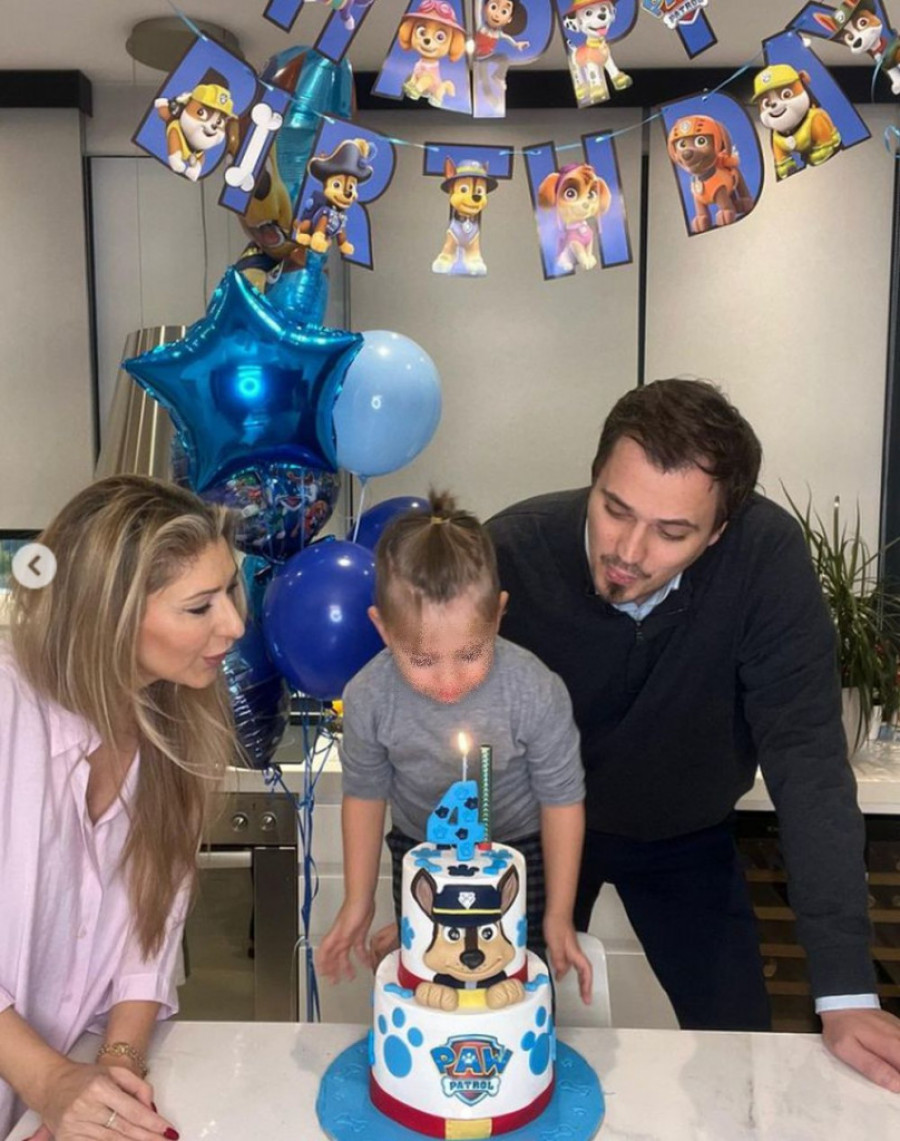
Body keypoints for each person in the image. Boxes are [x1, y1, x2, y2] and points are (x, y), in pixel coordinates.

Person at [486, 377, 900, 1091]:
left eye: (672, 532)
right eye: (614, 509)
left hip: (685, 835)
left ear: (719, 530)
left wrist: (846, 993)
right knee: (489, 1041)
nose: (628, 550)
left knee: (740, 1053)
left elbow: (807, 762)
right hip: (537, 834)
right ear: (594, 476)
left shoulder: (764, 559)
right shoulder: (511, 551)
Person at [0, 475, 246, 1140]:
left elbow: (148, 937)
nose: (234, 624)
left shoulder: (175, 731)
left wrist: (114, 1069)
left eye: (231, 590)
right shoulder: (7, 707)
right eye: (200, 606)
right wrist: (50, 1082)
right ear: (108, 614)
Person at [317, 491, 592, 1001]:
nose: (448, 683)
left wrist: (558, 913)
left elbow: (562, 801)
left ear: (498, 615)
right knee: (431, 981)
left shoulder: (535, 690)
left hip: (517, 853)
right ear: (382, 628)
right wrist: (358, 900)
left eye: (469, 655)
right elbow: (365, 795)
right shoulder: (368, 695)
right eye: (423, 660)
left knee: (512, 986)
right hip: (419, 851)